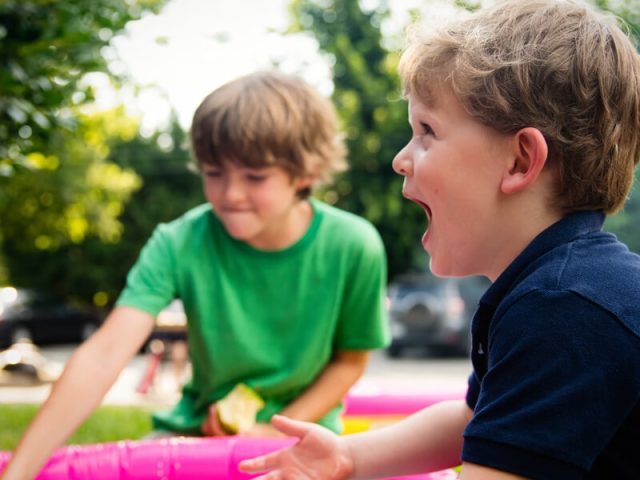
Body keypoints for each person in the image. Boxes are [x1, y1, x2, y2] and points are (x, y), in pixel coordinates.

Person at [239, 1, 640, 479]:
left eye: (427, 131)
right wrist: (350, 458)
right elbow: (475, 420)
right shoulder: (554, 287)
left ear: (519, 161)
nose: (400, 159)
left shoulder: (565, 309)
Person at [0, 70, 390, 479]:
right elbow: (105, 353)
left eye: (255, 177)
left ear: (305, 173)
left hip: (306, 441)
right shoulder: (178, 242)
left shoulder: (354, 245)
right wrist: (19, 473)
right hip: (193, 435)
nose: (230, 194)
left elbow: (349, 362)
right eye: (213, 173)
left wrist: (269, 431)